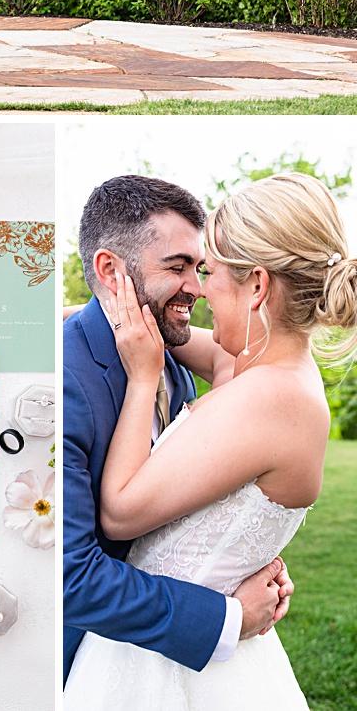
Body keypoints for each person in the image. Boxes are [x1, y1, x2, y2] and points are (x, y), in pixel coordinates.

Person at [64, 172, 357, 706]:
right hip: (162, 643)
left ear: (258, 286)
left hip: (172, 669)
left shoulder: (273, 399)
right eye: (188, 269)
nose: (200, 289)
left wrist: (144, 377)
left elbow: (121, 513)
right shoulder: (251, 364)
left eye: (211, 271)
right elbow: (132, 328)